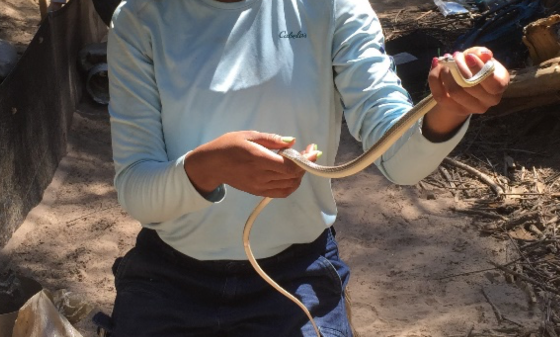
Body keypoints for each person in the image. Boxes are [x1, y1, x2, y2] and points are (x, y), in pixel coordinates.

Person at [106, 0, 510, 336]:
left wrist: (450, 108)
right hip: (169, 279)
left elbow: (398, 160)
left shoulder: (331, 7)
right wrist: (206, 168)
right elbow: (138, 190)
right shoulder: (140, 18)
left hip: (295, 275)